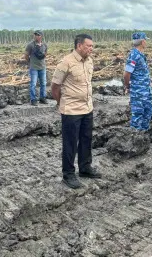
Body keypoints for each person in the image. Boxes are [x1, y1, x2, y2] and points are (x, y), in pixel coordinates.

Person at [51, 34, 101, 190]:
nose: (91, 49)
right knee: (70, 143)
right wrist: (62, 103)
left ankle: (85, 168)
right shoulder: (66, 62)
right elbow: (54, 87)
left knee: (86, 139)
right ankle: (68, 174)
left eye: (92, 46)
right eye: (89, 46)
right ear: (79, 46)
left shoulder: (90, 62)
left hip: (87, 108)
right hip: (71, 110)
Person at [123, 32, 152, 131]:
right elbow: (127, 74)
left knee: (147, 112)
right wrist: (128, 86)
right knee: (137, 115)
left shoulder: (140, 55)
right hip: (138, 92)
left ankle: (143, 135)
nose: (146, 42)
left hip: (146, 91)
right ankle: (135, 137)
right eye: (145, 40)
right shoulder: (134, 55)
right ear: (142, 41)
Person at [24, 30, 48, 106]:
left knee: (43, 84)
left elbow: (45, 54)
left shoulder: (44, 45)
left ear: (41, 36)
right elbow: (26, 55)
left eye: (38, 35)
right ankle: (33, 99)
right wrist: (30, 62)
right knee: (33, 84)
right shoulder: (30, 45)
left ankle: (42, 98)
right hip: (33, 67)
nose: (36, 36)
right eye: (35, 35)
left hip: (42, 67)